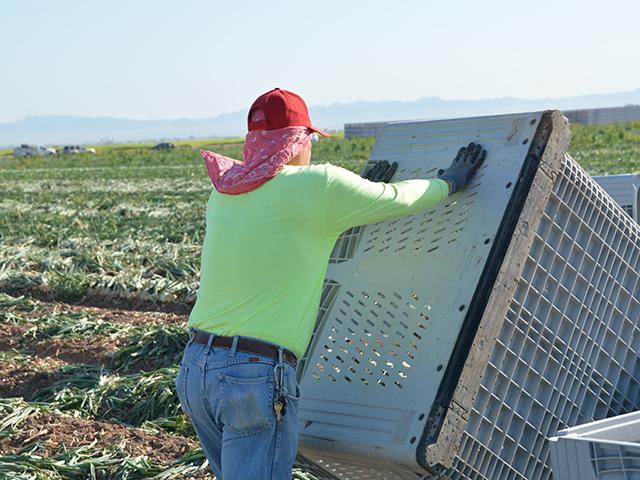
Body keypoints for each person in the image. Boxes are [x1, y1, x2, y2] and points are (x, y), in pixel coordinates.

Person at [175, 87, 486, 480]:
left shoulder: (226, 191)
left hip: (196, 369)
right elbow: (396, 198)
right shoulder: (318, 186)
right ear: (297, 142)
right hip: (251, 375)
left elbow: (288, 237)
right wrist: (450, 183)